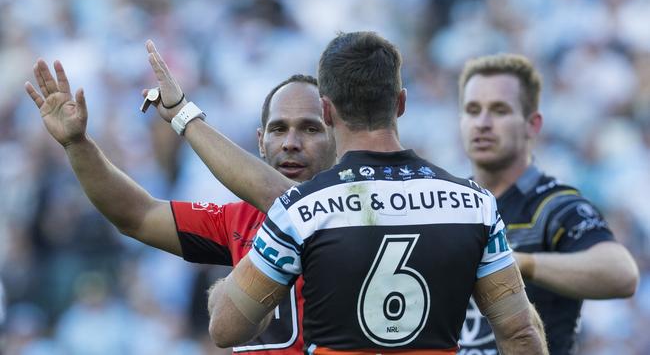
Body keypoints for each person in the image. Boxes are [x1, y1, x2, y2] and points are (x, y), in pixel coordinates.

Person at [201, 31, 548, 354]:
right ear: (400, 103)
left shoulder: (301, 210)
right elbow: (520, 333)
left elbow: (226, 329)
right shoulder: (475, 205)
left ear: (325, 111)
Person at [24, 58, 336, 354]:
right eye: (279, 129)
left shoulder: (360, 210)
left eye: (310, 128)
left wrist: (182, 114)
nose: (291, 142)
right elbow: (136, 215)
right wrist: (77, 145)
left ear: (337, 138)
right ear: (260, 141)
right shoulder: (240, 219)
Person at [456, 53, 639, 355]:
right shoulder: (452, 203)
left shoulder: (554, 205)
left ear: (532, 124)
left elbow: (622, 274)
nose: (483, 123)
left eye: (499, 110)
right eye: (472, 110)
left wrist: (521, 263)